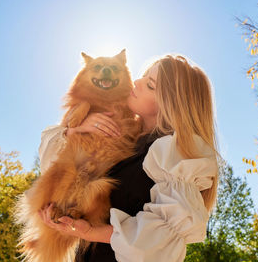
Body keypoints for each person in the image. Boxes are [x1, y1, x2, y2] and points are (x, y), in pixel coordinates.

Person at [38, 54, 219, 262]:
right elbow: (53, 165)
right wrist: (77, 132)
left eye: (150, 85)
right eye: (142, 77)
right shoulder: (126, 137)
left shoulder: (172, 154)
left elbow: (162, 238)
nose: (136, 82)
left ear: (171, 105)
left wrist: (89, 232)